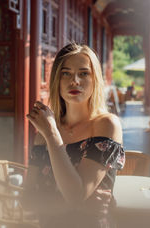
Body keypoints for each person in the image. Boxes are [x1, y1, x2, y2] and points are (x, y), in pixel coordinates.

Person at [24, 42, 125, 228]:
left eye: (84, 73)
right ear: (57, 81)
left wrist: (53, 135)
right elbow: (27, 198)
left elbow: (75, 195)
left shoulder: (106, 125)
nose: (74, 81)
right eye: (66, 73)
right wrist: (73, 204)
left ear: (95, 79)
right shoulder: (43, 133)